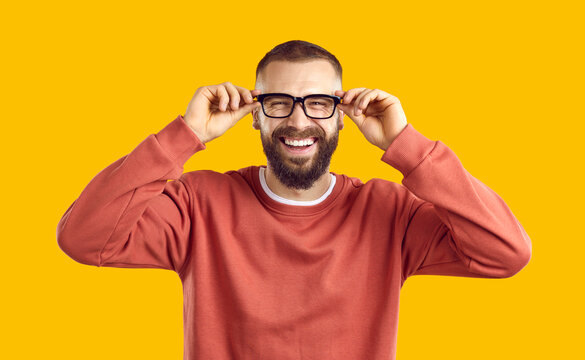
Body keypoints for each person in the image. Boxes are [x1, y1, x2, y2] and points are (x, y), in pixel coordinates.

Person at [56, 40, 532, 360]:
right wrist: (185, 135)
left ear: (343, 116)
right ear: (255, 115)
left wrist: (406, 143)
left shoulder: (389, 211)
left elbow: (505, 252)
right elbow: (83, 238)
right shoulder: (198, 204)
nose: (299, 121)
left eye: (319, 103)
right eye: (279, 102)